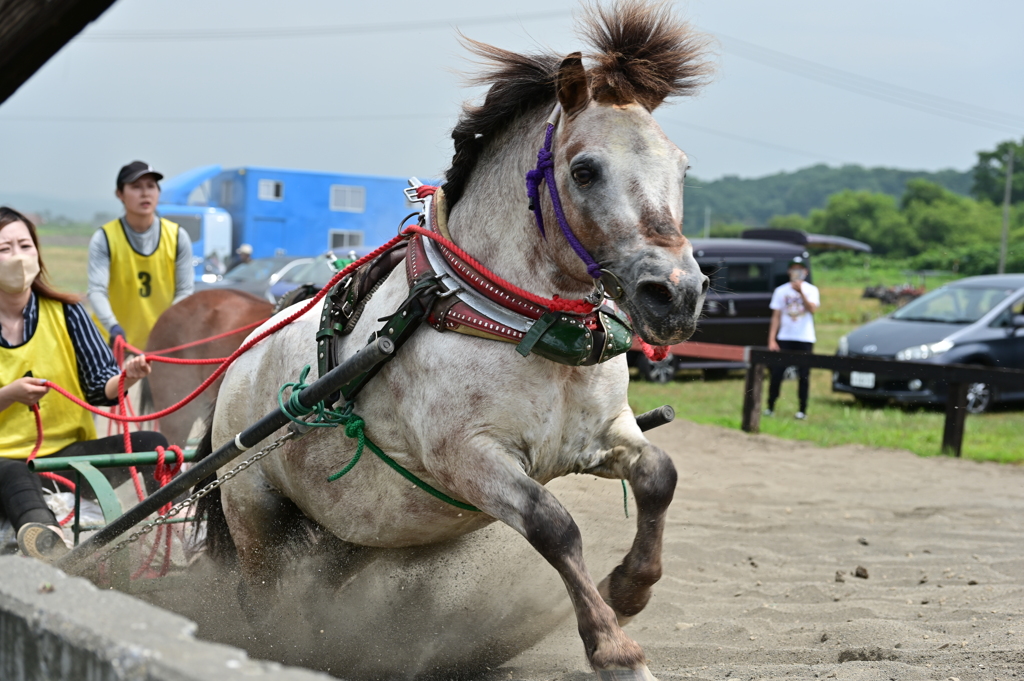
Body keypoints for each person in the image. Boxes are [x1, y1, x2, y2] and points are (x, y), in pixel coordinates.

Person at [0, 207, 168, 562]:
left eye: (25, 246)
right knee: (14, 471)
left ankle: (175, 527)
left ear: (38, 254)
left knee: (154, 445)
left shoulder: (68, 312)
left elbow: (99, 388)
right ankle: (49, 546)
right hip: (5, 467)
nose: (18, 258)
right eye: (5, 249)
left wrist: (126, 377)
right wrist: (8, 396)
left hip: (64, 461)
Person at [88, 161, 194, 351]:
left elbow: (185, 291)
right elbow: (96, 291)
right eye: (136, 187)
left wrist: (167, 328)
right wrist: (112, 326)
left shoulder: (178, 237)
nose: (145, 193)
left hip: (160, 345)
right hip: (112, 343)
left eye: (151, 186)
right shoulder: (104, 238)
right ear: (119, 194)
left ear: (158, 193)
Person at [765, 257, 820, 420]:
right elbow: (776, 316)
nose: (796, 272)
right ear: (789, 272)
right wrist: (771, 339)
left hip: (805, 337)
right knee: (776, 373)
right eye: (793, 269)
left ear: (805, 272)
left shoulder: (812, 290)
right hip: (785, 337)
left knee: (804, 375)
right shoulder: (780, 291)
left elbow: (812, 309)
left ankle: (802, 410)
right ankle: (770, 407)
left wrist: (801, 292)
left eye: (800, 269)